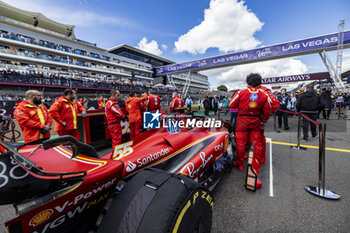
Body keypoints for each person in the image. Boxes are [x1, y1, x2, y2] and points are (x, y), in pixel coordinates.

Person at [229, 73, 271, 173]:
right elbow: (267, 110)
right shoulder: (264, 94)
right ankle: (255, 165)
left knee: (240, 143)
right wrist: (263, 120)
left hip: (242, 122)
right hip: (256, 121)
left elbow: (231, 105)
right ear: (259, 82)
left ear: (248, 81)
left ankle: (240, 164)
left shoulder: (241, 92)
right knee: (256, 143)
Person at [258, 85, 279, 165]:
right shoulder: (264, 90)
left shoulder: (265, 90)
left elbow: (275, 104)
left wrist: (264, 118)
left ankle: (261, 158)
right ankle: (255, 156)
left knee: (259, 138)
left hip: (258, 119)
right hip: (252, 119)